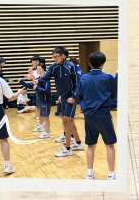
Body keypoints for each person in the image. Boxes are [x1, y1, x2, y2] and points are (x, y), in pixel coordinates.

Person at [77, 51, 117, 181]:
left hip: (89, 116)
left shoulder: (83, 78)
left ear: (89, 63)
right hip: (104, 116)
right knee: (109, 145)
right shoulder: (108, 78)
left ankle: (89, 173)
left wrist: (84, 107)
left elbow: (79, 96)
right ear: (103, 63)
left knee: (90, 145)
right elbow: (114, 95)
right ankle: (111, 174)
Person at [37, 47, 83, 157]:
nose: (54, 58)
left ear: (64, 56)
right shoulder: (53, 67)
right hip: (62, 97)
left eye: (56, 56)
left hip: (71, 98)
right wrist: (35, 81)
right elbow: (44, 78)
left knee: (67, 121)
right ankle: (78, 143)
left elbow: (78, 83)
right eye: (53, 57)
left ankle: (67, 148)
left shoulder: (71, 66)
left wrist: (74, 97)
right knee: (68, 121)